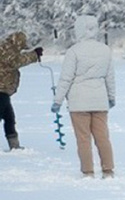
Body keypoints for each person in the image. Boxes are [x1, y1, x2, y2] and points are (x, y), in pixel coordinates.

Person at [52, 16, 116, 178]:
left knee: (83, 139)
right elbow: (110, 77)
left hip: (78, 102)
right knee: (103, 137)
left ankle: (88, 171)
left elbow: (66, 78)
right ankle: (108, 170)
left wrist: (58, 100)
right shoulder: (105, 50)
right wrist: (111, 97)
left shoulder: (74, 51)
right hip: (100, 101)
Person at [0, 31, 43, 151]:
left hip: (4, 91)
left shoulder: (9, 49)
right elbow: (16, 61)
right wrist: (34, 55)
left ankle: (14, 145)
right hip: (1, 90)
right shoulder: (5, 49)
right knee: (5, 117)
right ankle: (14, 145)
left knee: (9, 118)